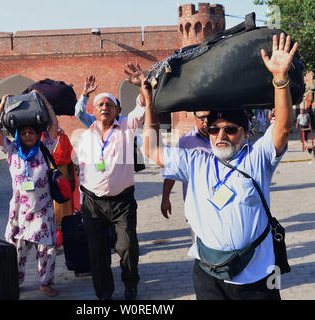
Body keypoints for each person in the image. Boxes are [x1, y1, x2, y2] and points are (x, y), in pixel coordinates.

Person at [142, 33, 298, 300]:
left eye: (230, 129)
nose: (221, 135)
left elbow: (282, 127)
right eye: (214, 129)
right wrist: (150, 107)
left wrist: (280, 79)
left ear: (246, 131)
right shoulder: (196, 161)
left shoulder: (257, 158)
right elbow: (150, 149)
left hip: (258, 275)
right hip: (208, 273)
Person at [76, 65, 146, 300]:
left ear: (117, 110)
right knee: (97, 253)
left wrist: (143, 86)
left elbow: (142, 108)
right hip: (92, 203)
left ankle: (130, 284)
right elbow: (82, 170)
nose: (105, 108)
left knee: (127, 247)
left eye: (110, 105)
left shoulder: (126, 127)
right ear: (94, 111)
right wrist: (81, 201)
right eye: (100, 105)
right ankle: (104, 293)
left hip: (122, 202)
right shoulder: (87, 133)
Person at [0, 90, 60, 297]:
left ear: (37, 133)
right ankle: (15, 281)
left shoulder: (45, 147)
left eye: (31, 131)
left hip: (43, 209)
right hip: (19, 211)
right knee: (17, 251)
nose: (28, 135)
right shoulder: (12, 151)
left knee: (47, 249)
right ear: (19, 135)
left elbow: (54, 125)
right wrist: (2, 105)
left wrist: (44, 101)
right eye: (24, 132)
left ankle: (45, 282)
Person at [161, 111, 211, 219]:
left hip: (223, 205)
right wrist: (165, 199)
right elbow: (172, 172)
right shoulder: (184, 142)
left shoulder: (223, 138)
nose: (206, 121)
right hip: (195, 207)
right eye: (202, 118)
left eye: (208, 117)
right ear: (195, 118)